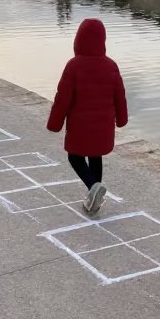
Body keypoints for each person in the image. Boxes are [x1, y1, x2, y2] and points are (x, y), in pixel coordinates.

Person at [46, 19, 128, 214]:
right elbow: (120, 96)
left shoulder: (74, 66)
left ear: (78, 40)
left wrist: (54, 124)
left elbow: (62, 98)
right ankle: (95, 197)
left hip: (80, 125)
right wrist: (122, 119)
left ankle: (93, 187)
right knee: (95, 155)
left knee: (75, 157)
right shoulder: (111, 66)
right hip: (103, 125)